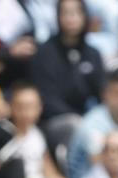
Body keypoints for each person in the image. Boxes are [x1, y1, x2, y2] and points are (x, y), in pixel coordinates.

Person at [30, 0, 104, 156]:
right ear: (58, 17)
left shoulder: (93, 54)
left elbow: (102, 93)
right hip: (54, 122)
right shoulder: (45, 53)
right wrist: (81, 119)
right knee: (76, 126)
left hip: (88, 119)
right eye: (66, 13)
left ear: (85, 16)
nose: (71, 18)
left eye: (76, 12)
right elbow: (46, 99)